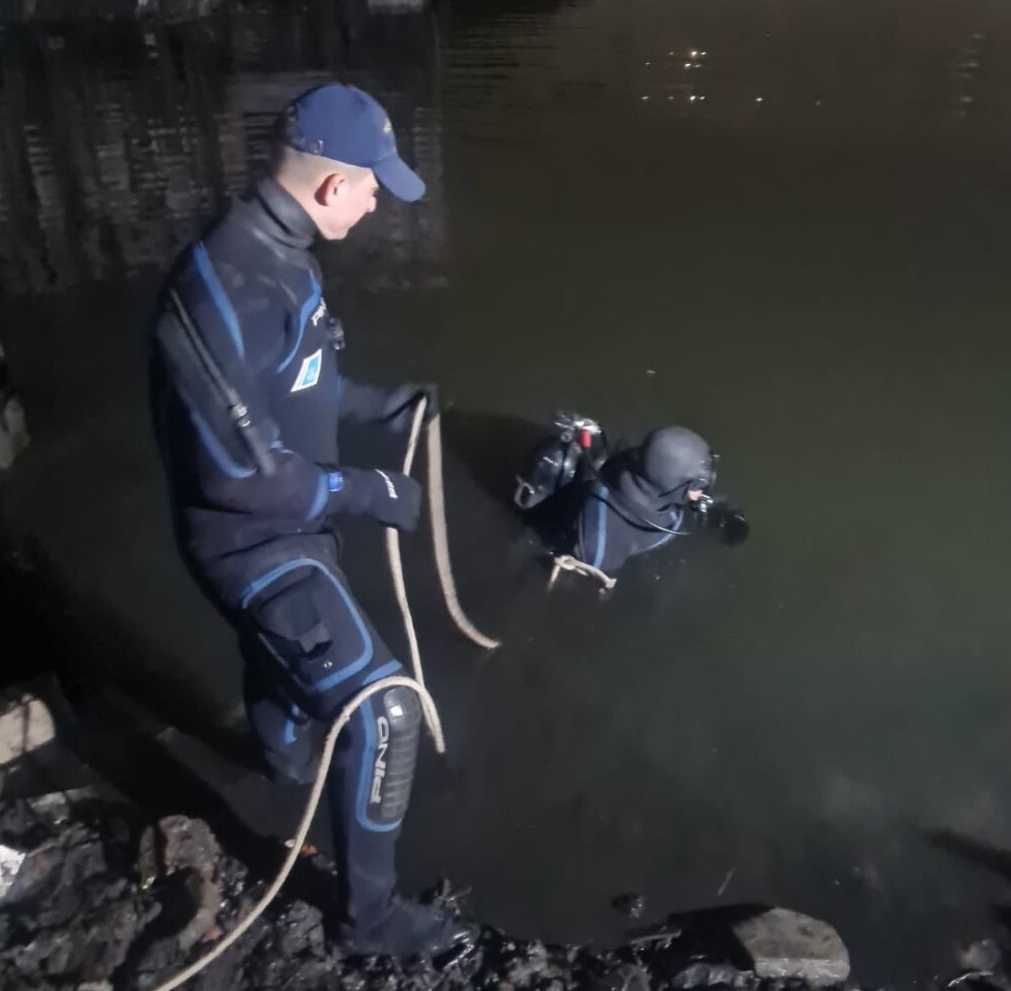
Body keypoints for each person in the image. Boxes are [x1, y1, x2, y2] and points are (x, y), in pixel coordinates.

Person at [150, 83, 473, 958]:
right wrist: (367, 491)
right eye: (375, 187)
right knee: (385, 709)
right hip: (249, 540)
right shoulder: (219, 288)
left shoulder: (288, 253)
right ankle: (368, 920)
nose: (377, 204)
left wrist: (380, 404)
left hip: (293, 521)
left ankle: (279, 772)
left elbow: (307, 389)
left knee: (291, 676)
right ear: (333, 187)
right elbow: (235, 476)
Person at [520, 419, 740, 580]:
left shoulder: (640, 464)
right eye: (698, 486)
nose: (702, 490)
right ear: (672, 486)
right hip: (584, 547)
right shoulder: (605, 541)